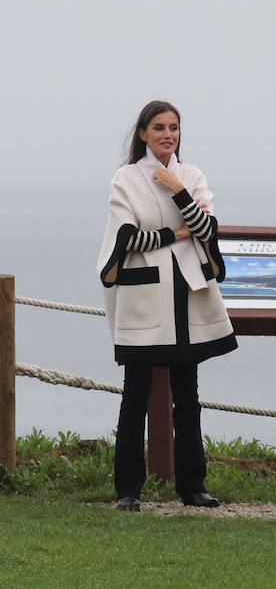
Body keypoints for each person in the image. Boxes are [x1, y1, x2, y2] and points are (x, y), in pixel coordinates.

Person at [97, 100, 236, 511]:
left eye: (173, 127)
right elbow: (125, 239)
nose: (167, 135)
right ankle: (128, 490)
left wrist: (177, 192)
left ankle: (193, 486)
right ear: (143, 133)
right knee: (135, 394)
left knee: (187, 395)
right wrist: (176, 234)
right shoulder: (125, 179)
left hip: (188, 298)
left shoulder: (190, 176)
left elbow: (207, 230)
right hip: (145, 298)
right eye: (158, 127)